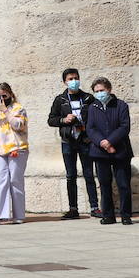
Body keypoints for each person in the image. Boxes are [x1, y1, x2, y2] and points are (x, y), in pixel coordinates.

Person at [48, 68, 100, 220]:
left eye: (76, 78)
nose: (74, 81)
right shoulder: (60, 100)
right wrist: (64, 120)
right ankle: (73, 209)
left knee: (89, 174)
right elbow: (51, 120)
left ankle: (94, 207)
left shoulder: (88, 98)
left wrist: (86, 126)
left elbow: (96, 117)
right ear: (65, 81)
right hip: (68, 141)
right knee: (71, 175)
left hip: (85, 140)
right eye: (70, 79)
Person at [86, 78, 133, 225]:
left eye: (102, 90)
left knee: (123, 184)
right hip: (100, 152)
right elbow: (90, 128)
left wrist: (111, 141)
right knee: (104, 184)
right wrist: (103, 142)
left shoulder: (121, 105)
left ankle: (126, 215)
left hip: (120, 150)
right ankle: (108, 215)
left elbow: (124, 127)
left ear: (109, 89)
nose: (100, 93)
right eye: (97, 91)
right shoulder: (92, 107)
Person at [0, 83, 29, 226]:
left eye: (4, 96)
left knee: (16, 182)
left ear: (10, 95)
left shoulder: (18, 108)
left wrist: (6, 111)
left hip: (17, 149)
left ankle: (19, 215)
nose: (1, 99)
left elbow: (19, 125)